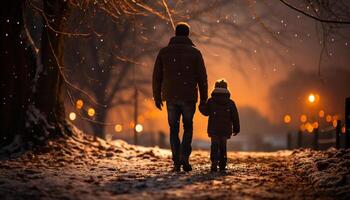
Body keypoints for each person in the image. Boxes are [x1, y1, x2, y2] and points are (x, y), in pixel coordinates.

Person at [152, 22, 208, 172]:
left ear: (175, 33)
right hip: (189, 96)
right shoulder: (195, 53)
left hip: (171, 96)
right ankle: (185, 157)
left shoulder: (164, 52)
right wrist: (204, 99)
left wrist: (157, 97)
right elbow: (202, 78)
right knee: (188, 127)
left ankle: (176, 160)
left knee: (173, 129)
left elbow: (157, 77)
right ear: (188, 34)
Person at [199, 79, 240, 172]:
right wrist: (236, 128)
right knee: (223, 146)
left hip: (214, 128)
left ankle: (214, 162)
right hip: (225, 129)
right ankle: (222, 163)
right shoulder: (230, 103)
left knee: (214, 145)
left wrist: (201, 106)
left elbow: (206, 112)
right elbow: (235, 117)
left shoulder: (211, 101)